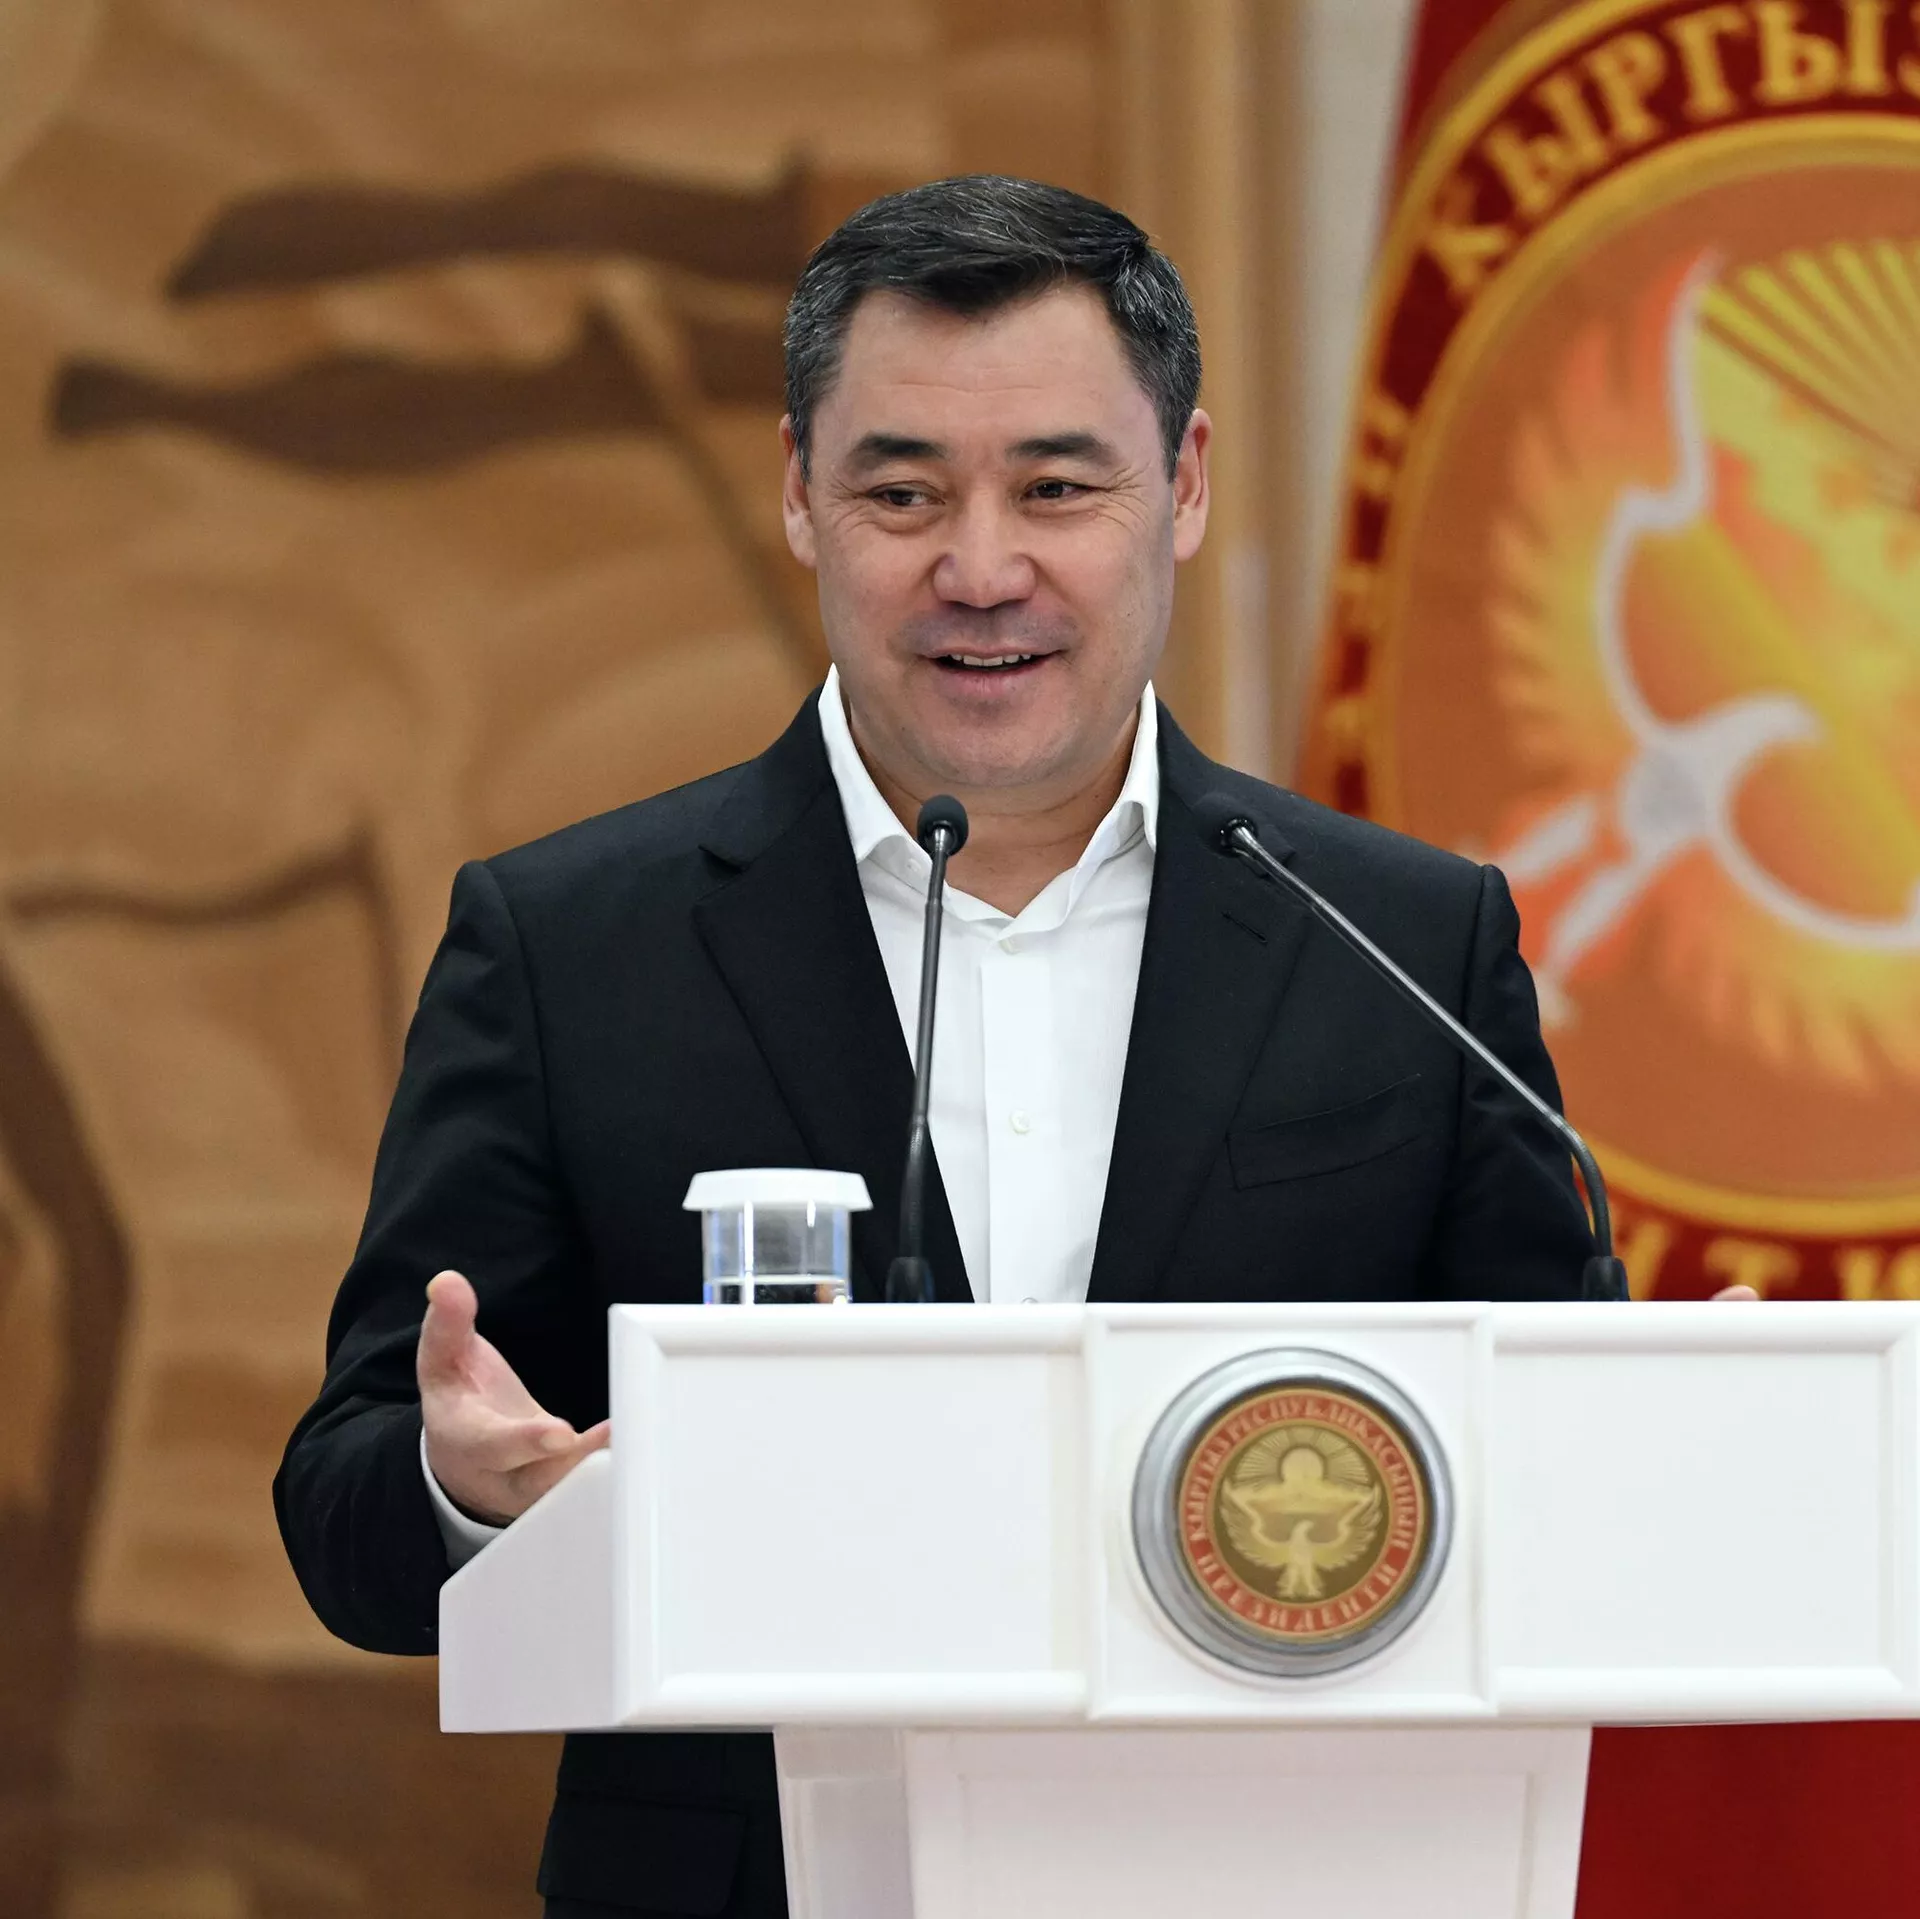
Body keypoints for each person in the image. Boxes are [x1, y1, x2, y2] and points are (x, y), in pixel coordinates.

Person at [275, 174, 1595, 1919]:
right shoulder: (572, 947)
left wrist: (1672, 1432)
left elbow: (1566, 1482)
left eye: (1057, 487)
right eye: (901, 493)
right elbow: (347, 1506)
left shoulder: (1404, 940)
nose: (982, 571)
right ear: (799, 495)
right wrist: (466, 1488)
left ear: (1185, 484)